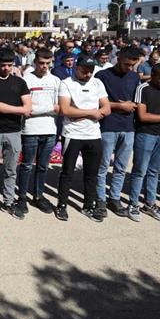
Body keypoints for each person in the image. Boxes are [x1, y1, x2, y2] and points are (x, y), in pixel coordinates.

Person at [56, 55, 110, 222]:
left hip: (93, 134)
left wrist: (81, 112)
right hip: (73, 134)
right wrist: (91, 113)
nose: (88, 74)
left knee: (91, 173)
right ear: (76, 68)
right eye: (84, 71)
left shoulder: (97, 83)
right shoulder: (66, 83)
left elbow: (106, 108)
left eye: (91, 71)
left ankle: (88, 205)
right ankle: (62, 205)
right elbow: (65, 110)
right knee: (67, 172)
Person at [0, 49, 30, 219]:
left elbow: (28, 108)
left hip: (14, 131)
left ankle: (8, 201)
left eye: (9, 65)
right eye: (3, 65)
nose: (6, 68)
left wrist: (16, 110)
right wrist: (19, 110)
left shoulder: (20, 82)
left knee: (11, 169)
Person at [126, 63, 160, 222]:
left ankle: (150, 203)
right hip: (146, 134)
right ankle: (133, 203)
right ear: (153, 75)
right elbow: (143, 116)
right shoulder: (143, 89)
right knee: (140, 169)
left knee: (155, 171)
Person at [94, 47, 142, 218]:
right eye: (127, 64)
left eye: (133, 65)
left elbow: (138, 100)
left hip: (128, 127)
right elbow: (96, 101)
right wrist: (118, 106)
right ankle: (100, 199)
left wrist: (133, 106)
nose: (129, 67)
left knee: (121, 167)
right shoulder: (102, 76)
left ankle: (114, 197)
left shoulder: (135, 77)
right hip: (108, 126)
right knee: (102, 165)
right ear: (118, 58)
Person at [17, 48, 59, 215]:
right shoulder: (26, 80)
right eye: (41, 63)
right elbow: (26, 109)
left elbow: (59, 107)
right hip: (30, 129)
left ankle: (38, 196)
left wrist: (40, 109)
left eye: (48, 63)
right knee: (26, 165)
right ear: (35, 62)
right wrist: (48, 108)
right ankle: (21, 197)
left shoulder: (56, 80)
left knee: (43, 166)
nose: (44, 66)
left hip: (50, 130)